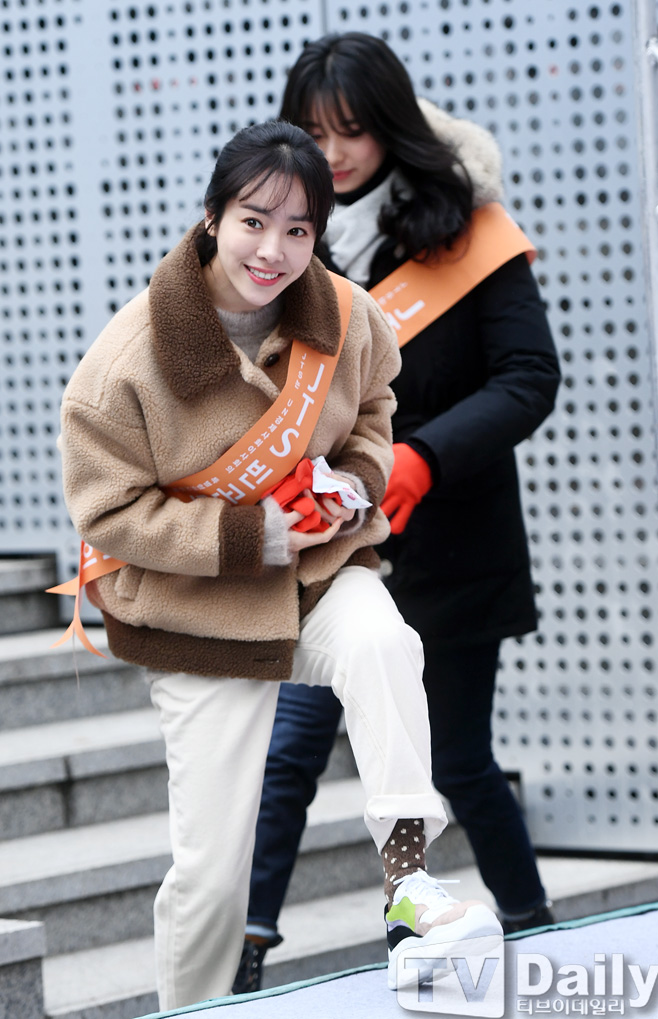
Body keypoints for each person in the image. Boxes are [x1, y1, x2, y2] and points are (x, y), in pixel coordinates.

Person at [58, 119, 502, 1011]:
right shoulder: (126, 360)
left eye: (299, 229)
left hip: (315, 575)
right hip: (195, 611)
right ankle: (193, 1007)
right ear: (214, 217)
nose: (274, 250)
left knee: (384, 641)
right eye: (255, 222)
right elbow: (107, 511)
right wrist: (245, 535)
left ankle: (409, 880)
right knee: (210, 873)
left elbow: (374, 404)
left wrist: (356, 481)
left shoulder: (345, 312)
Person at [233, 32, 562, 993]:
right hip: (325, 547)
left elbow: (528, 377)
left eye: (353, 129)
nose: (332, 152)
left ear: (392, 127)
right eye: (314, 130)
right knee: (287, 758)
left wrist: (421, 458)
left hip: (447, 540)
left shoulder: (467, 229)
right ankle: (240, 961)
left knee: (454, 758)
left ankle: (534, 939)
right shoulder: (284, 241)